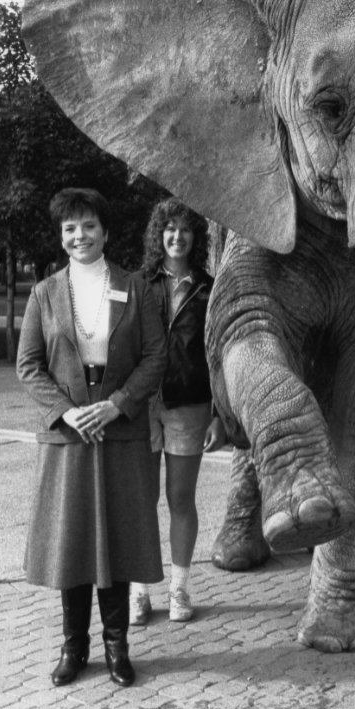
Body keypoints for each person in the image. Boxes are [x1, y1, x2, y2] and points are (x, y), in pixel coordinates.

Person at [17, 187, 167, 688]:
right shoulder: (44, 293)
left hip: (119, 432)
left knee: (118, 541)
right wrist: (66, 412)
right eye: (69, 229)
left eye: (87, 226)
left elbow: (155, 359)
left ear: (105, 231)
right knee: (73, 542)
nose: (78, 236)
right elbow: (29, 366)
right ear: (62, 237)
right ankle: (74, 648)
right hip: (69, 438)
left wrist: (117, 404)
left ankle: (117, 648)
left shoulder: (137, 287)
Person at [130, 198, 226, 625]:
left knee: (180, 499)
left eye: (185, 228)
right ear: (158, 234)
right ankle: (138, 591)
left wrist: (220, 413)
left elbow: (220, 354)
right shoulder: (138, 285)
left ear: (195, 237)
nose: (177, 236)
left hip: (190, 406)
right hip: (142, 406)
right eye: (169, 228)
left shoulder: (209, 288)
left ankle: (179, 589)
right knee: (141, 501)